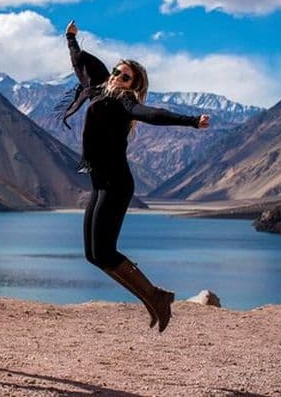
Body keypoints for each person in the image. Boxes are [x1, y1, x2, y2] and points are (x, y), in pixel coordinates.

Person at [61, 19, 209, 333]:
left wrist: (192, 120)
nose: (117, 76)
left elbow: (153, 115)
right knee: (93, 254)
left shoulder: (124, 102)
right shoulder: (98, 87)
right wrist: (70, 38)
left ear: (133, 86)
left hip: (116, 185)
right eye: (116, 71)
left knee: (104, 252)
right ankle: (154, 300)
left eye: (125, 76)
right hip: (100, 182)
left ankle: (156, 297)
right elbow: (79, 63)